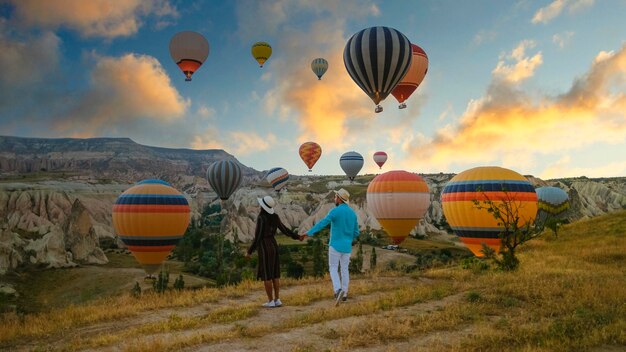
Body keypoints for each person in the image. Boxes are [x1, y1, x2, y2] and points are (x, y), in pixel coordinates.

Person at [301, 188, 359, 306]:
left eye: (335, 196)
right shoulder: (353, 213)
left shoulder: (335, 211)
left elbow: (322, 223)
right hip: (347, 247)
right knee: (344, 269)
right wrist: (349, 239)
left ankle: (337, 290)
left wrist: (309, 232)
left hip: (335, 245)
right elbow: (356, 232)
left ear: (338, 198)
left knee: (333, 268)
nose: (334, 198)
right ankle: (345, 293)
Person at [246, 195, 300, 308]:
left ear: (263, 207)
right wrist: (297, 236)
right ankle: (277, 299)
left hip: (265, 246)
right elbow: (285, 230)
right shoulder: (275, 217)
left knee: (267, 275)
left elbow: (258, 236)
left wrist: (250, 251)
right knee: (275, 274)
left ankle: (270, 301)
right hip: (274, 245)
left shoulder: (261, 218)